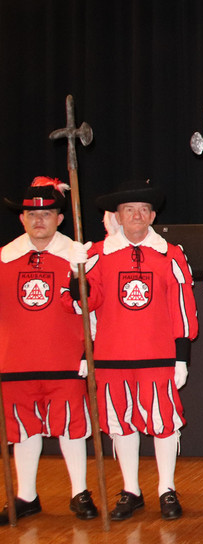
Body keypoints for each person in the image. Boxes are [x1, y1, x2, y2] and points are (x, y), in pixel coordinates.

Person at [66, 179, 198, 521]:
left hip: (157, 356)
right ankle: (131, 490)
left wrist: (181, 355)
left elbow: (182, 306)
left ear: (153, 216)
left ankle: (166, 489)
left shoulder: (170, 253)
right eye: (129, 210)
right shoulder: (96, 254)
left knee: (163, 423)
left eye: (143, 210)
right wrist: (76, 276)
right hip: (112, 357)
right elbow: (83, 306)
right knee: (120, 423)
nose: (137, 215)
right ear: (118, 216)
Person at [0, 177, 96, 524]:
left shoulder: (77, 258)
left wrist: (90, 351)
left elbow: (93, 310)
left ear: (60, 218)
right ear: (21, 218)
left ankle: (79, 492)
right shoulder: (4, 259)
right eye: (32, 214)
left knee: (72, 427)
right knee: (23, 431)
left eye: (47, 214)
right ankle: (26, 496)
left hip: (65, 360)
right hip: (15, 362)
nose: (39, 220)